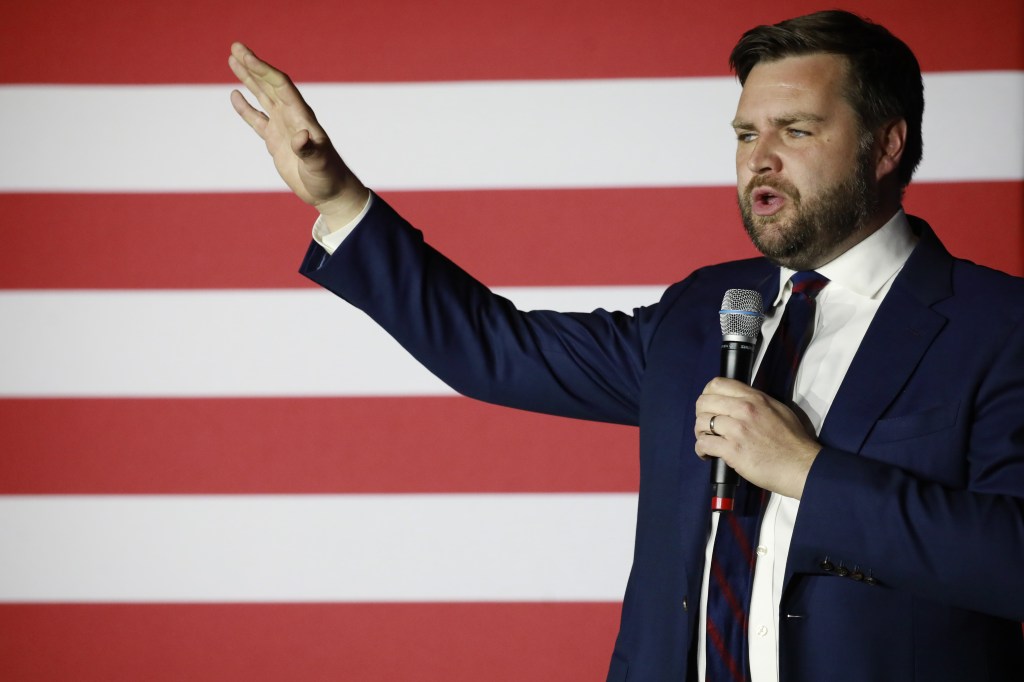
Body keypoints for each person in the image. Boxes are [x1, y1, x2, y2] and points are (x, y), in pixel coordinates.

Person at [229, 9, 1024, 682]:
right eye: (746, 132)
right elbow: (494, 350)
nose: (760, 158)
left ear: (887, 147)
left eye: (798, 129)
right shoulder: (704, 310)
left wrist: (807, 473)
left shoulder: (998, 325)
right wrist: (340, 199)